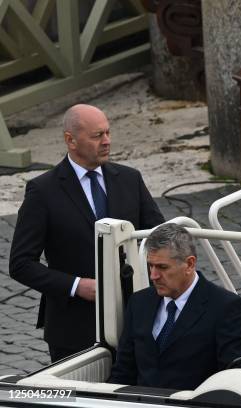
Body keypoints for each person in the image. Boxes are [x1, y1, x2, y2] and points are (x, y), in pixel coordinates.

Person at [9, 104, 165, 362]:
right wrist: (76, 286)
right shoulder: (43, 191)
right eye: (97, 136)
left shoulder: (130, 179)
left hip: (137, 320)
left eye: (108, 133)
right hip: (74, 329)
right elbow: (21, 264)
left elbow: (159, 237)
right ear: (70, 140)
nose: (107, 142)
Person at [108, 223, 241, 389]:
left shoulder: (226, 307)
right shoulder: (139, 303)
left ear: (190, 264)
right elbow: (123, 372)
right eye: (151, 265)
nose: (153, 275)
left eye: (162, 267)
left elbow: (236, 378)